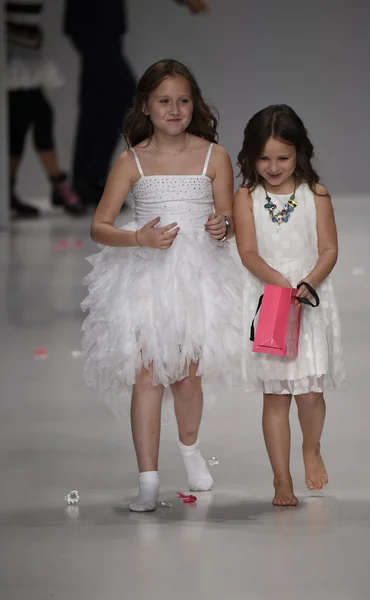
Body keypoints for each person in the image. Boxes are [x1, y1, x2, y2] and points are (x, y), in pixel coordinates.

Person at [81, 59, 241, 512]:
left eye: (183, 100)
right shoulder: (132, 160)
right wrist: (139, 239)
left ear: (196, 104)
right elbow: (99, 226)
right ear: (146, 107)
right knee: (148, 375)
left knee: (188, 377)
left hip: (198, 276)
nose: (175, 109)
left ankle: (189, 450)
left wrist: (221, 226)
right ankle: (147, 479)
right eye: (164, 101)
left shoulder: (215, 156)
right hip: (146, 274)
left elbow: (229, 218)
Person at [234, 105, 345, 506]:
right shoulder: (245, 197)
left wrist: (308, 281)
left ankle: (311, 448)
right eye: (263, 158)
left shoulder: (314, 193)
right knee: (276, 395)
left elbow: (330, 248)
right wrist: (277, 282)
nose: (273, 166)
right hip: (271, 298)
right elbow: (246, 250)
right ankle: (281, 479)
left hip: (308, 299)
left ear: (300, 152)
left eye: (283, 157)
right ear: (250, 157)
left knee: (310, 391)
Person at [63, 0, 209, 207]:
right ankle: (90, 176)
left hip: (93, 21)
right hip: (96, 20)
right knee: (117, 98)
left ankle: (86, 179)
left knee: (96, 101)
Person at [6, 0, 85, 218]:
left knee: (19, 124)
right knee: (37, 116)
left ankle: (8, 191)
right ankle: (57, 183)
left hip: (26, 53)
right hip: (14, 55)